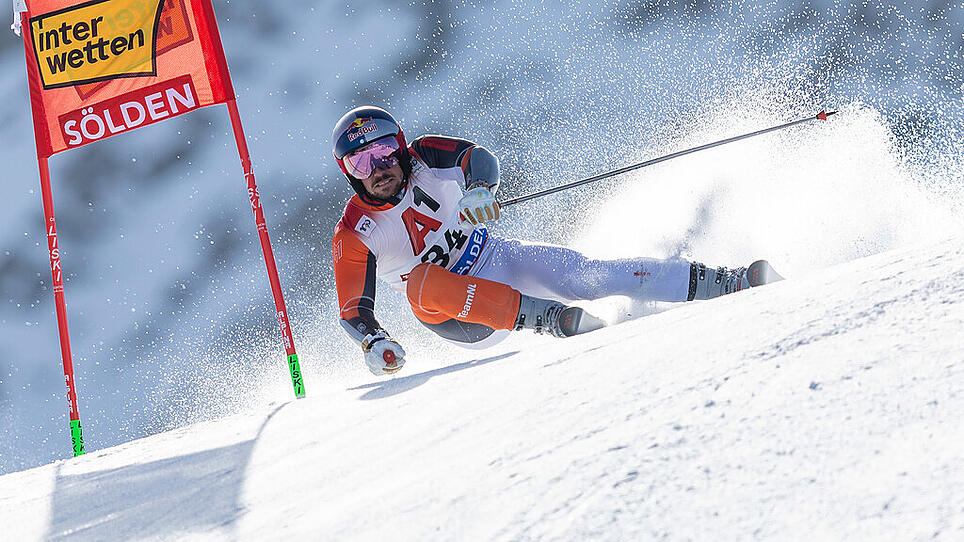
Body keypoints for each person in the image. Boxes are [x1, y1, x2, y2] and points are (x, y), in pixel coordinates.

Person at [331, 106, 779, 376]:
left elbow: (477, 158)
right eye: (361, 162)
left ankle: (729, 281)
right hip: (461, 315)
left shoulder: (427, 155)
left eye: (385, 151)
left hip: (497, 257)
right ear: (348, 173)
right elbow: (353, 310)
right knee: (420, 284)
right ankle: (547, 319)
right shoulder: (355, 232)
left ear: (401, 145)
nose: (378, 168)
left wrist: (480, 191)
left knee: (591, 275)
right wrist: (375, 342)